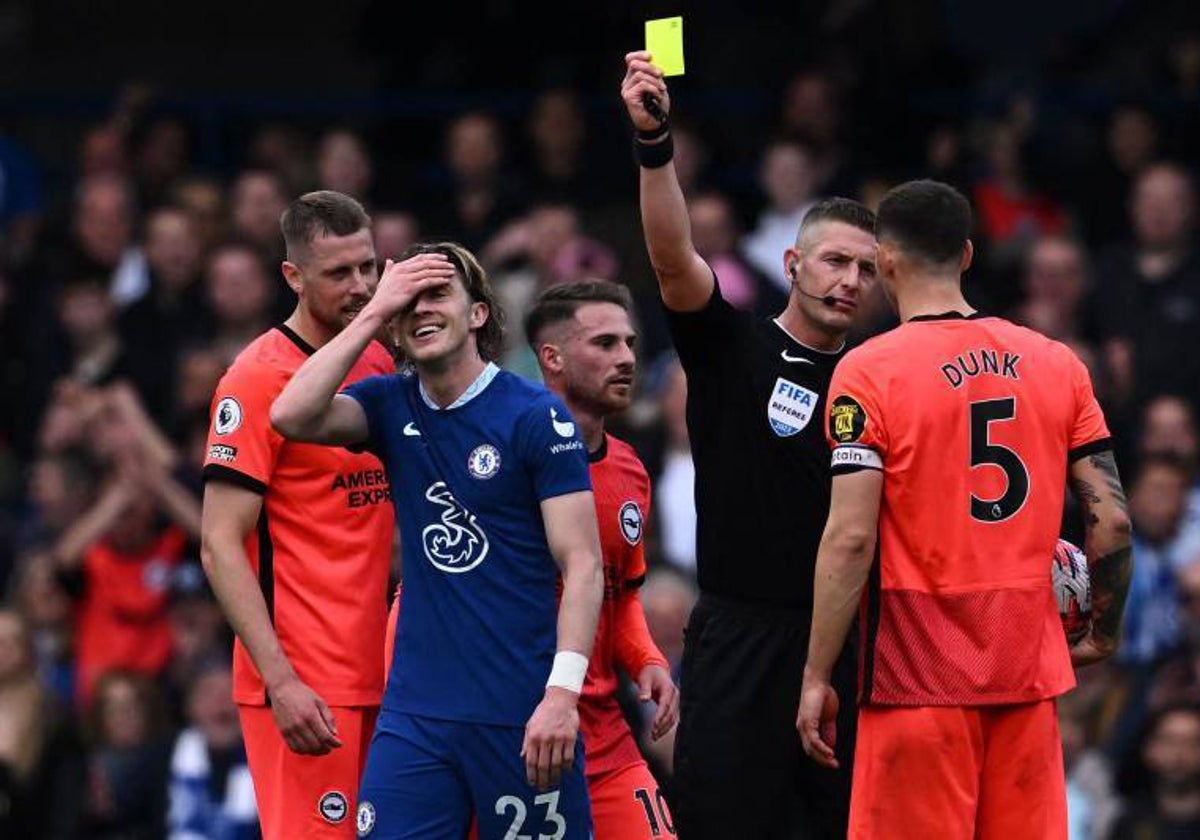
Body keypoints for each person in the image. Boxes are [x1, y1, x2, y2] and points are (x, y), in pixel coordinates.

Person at [797, 179, 1134, 839]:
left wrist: (816, 674)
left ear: (886, 260)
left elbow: (850, 540)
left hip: (916, 683)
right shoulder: (1056, 363)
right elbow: (1112, 518)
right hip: (1026, 682)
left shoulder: (870, 372)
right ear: (970, 255)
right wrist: (1103, 631)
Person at [621, 51, 876, 838]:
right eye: (835, 260)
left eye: (868, 269)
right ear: (793, 264)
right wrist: (655, 145)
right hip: (736, 636)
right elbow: (672, 256)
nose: (850, 280)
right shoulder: (734, 348)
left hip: (847, 643)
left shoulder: (883, 377)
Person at [269, 241, 603, 839]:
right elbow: (291, 414)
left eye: (438, 294)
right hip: (415, 714)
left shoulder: (535, 416)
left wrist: (562, 696)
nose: (421, 310)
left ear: (477, 313)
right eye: (409, 302)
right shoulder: (388, 403)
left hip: (519, 710)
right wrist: (375, 312)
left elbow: (583, 565)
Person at [199, 191, 396, 839]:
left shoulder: (378, 358)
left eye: (368, 267)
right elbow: (220, 546)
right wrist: (280, 682)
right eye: (339, 273)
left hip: (391, 674)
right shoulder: (255, 379)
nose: (361, 287)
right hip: (307, 684)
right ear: (293, 276)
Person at [524, 280, 680, 838]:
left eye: (630, 344)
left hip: (604, 731)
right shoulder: (507, 457)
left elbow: (624, 592)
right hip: (518, 732)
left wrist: (647, 661)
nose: (627, 359)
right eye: (606, 344)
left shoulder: (630, 468)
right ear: (553, 357)